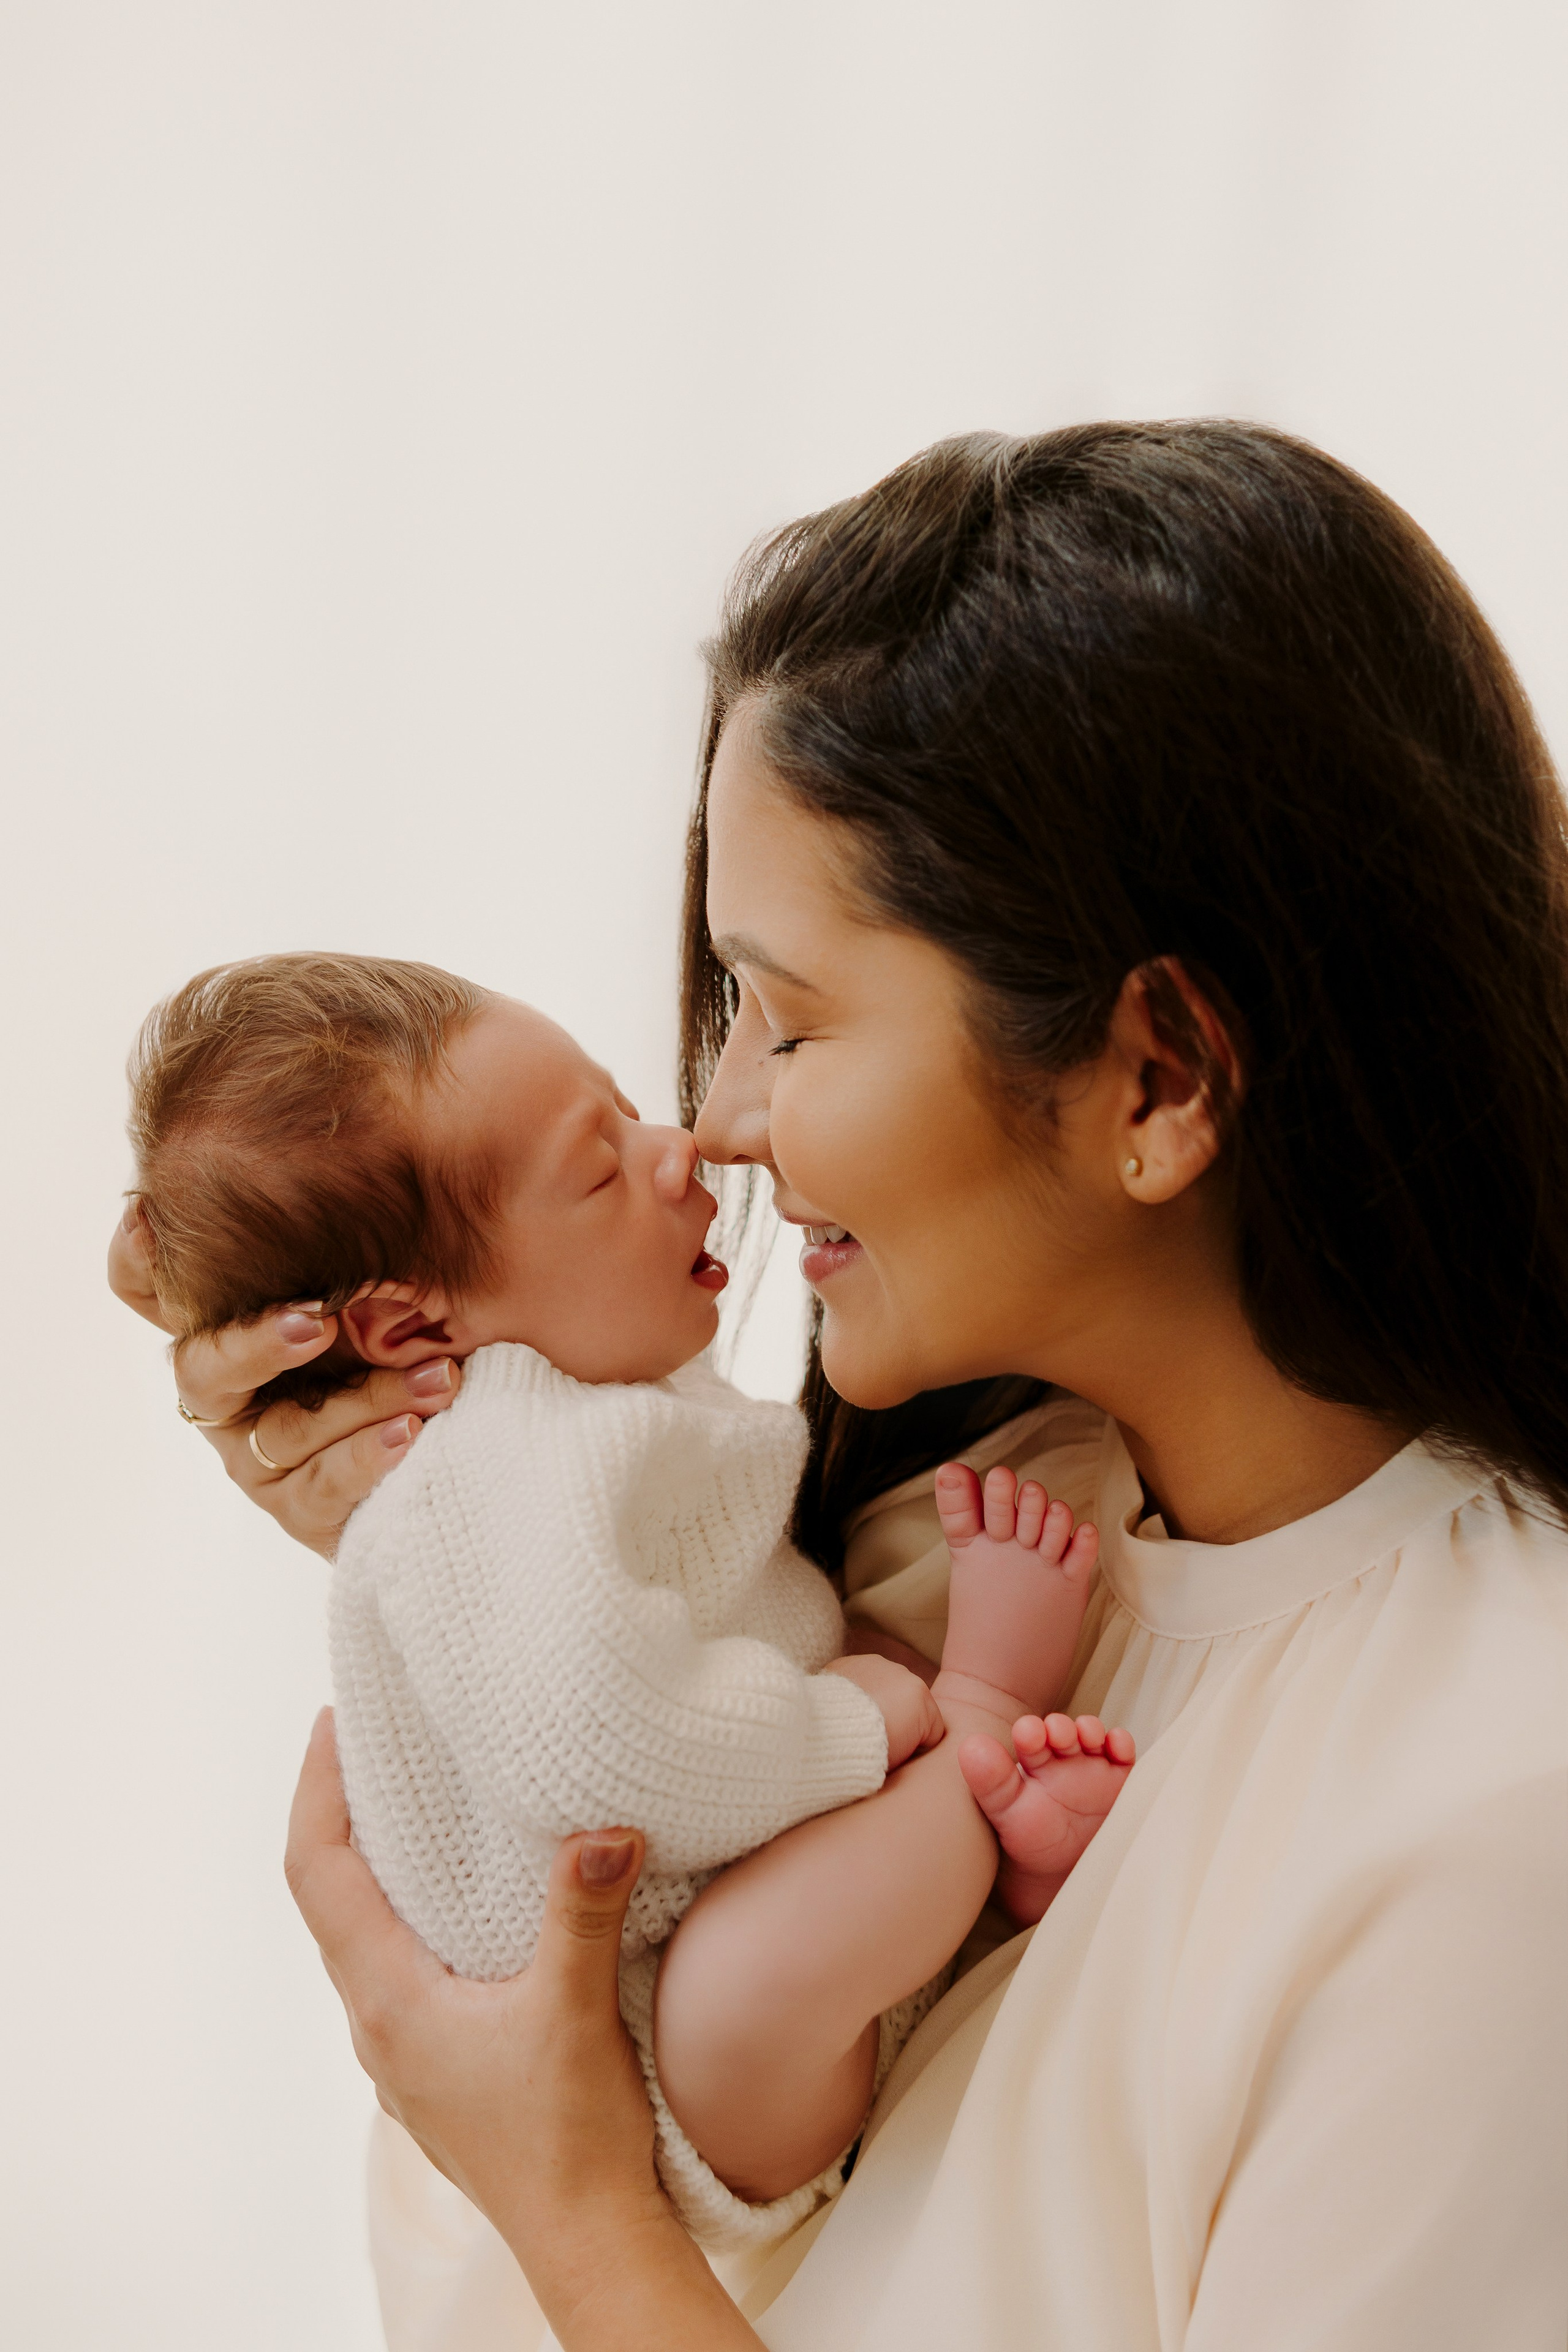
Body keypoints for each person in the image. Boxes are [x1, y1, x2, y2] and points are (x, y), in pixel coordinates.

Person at [113, 420, 1568, 2349]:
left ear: (1157, 1080)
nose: (715, 1125)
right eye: (724, 1013)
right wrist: (429, 1520)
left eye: (786, 1022)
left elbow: (580, 2209)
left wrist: (569, 2204)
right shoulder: (930, 1536)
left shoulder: (1493, 1823)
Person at [121, 952, 1127, 2249]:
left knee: (763, 1952)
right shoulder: (488, 1470)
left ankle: (973, 1855)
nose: (683, 1149)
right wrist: (873, 1721)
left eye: (623, 1111)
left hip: (718, 1962)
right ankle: (986, 1728)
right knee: (741, 1982)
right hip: (656, 2063)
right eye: (598, 1168)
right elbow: (594, 1748)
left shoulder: (562, 1421)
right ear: (411, 1330)